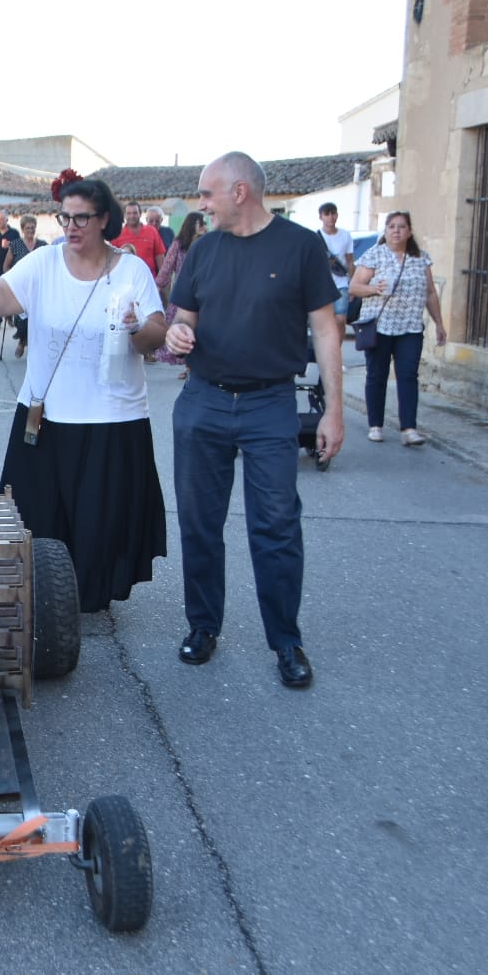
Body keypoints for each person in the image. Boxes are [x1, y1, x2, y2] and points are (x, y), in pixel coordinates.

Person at [163, 151, 342, 690]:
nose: (201, 204)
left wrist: (334, 410)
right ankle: (203, 626)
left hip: (269, 405)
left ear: (240, 192)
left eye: (206, 193)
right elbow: (183, 321)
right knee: (198, 522)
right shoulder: (203, 249)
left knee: (276, 526)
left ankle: (286, 640)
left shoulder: (301, 247)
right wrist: (176, 336)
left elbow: (327, 331)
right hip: (204, 401)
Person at [0, 177, 168, 612]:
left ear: (104, 219)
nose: (71, 227)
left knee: (100, 518)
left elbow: (154, 337)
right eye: (65, 217)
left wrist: (133, 326)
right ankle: (39, 594)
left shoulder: (132, 272)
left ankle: (88, 596)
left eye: (81, 218)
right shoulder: (44, 263)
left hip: (112, 417)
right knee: (36, 513)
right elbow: (4, 293)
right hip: (46, 414)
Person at [349, 211, 447, 446]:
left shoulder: (421, 259)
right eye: (391, 226)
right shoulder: (374, 255)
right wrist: (374, 289)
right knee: (377, 375)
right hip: (379, 326)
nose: (396, 231)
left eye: (401, 227)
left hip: (410, 327)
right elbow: (354, 287)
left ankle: (409, 429)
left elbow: (430, 293)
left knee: (408, 376)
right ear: (385, 231)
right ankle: (375, 425)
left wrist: (439, 323)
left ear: (409, 232)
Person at [153, 212, 207, 375]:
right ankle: (188, 366)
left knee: (201, 332)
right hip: (183, 294)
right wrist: (158, 287)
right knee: (184, 330)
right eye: (200, 223)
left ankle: (192, 366)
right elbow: (167, 268)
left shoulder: (207, 243)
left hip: (203, 293)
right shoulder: (179, 244)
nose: (203, 226)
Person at [2, 214, 44, 359]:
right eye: (27, 228)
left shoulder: (42, 245)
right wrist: (12, 282)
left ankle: (35, 345)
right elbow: (6, 266)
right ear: (22, 229)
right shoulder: (15, 245)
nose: (30, 230)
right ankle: (22, 340)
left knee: (38, 318)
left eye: (32, 227)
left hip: (39, 287)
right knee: (22, 318)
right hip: (22, 287)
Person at [317, 201, 357, 342]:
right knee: (325, 322)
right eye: (326, 214)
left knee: (340, 319)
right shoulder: (315, 237)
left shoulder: (345, 235)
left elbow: (350, 261)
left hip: (341, 283)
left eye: (333, 213)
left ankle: (337, 352)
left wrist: (352, 284)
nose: (330, 217)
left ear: (337, 215)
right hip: (322, 285)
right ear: (321, 217)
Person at [113, 201, 167, 275]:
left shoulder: (152, 231)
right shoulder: (117, 234)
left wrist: (162, 281)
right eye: (129, 213)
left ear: (140, 214)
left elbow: (160, 259)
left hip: (149, 280)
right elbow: (112, 261)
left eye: (135, 213)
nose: (132, 216)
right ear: (125, 215)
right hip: (126, 281)